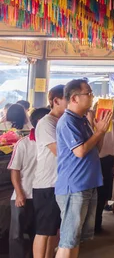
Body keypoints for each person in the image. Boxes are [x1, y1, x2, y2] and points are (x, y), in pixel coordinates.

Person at [55, 79, 112, 258]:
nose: (92, 97)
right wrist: (99, 132)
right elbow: (80, 151)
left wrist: (100, 131)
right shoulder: (67, 121)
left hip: (87, 183)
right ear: (74, 98)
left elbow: (96, 149)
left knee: (77, 239)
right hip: (74, 186)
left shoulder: (82, 120)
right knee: (68, 240)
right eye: (88, 93)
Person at [32, 85, 67, 258]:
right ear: (56, 101)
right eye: (69, 99)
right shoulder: (46, 123)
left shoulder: (61, 121)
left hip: (58, 183)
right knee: (44, 231)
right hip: (46, 184)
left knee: (54, 230)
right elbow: (61, 152)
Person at [8, 107, 45, 258]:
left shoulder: (53, 143)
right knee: (17, 235)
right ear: (39, 123)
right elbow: (15, 170)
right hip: (23, 194)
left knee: (38, 233)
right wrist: (19, 194)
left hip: (43, 194)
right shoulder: (23, 144)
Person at [95, 101, 114, 233]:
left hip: (108, 161)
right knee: (92, 193)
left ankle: (97, 222)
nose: (111, 112)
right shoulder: (92, 123)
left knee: (103, 192)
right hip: (94, 161)